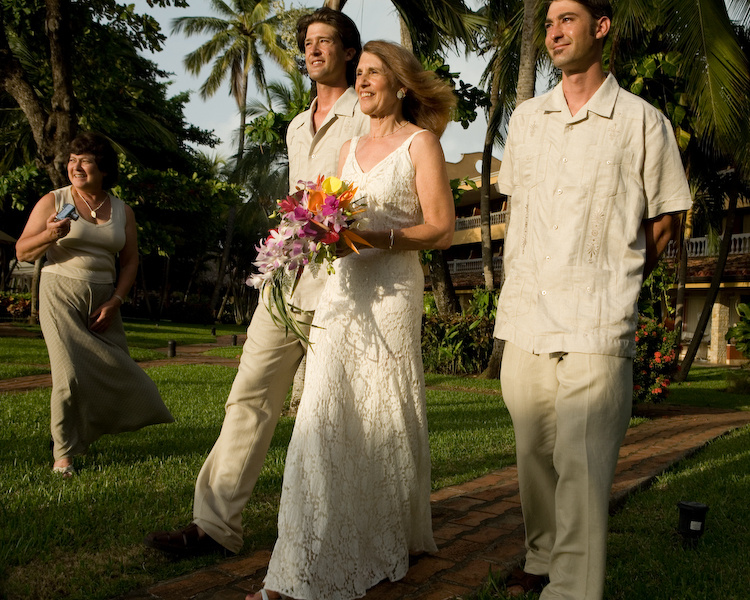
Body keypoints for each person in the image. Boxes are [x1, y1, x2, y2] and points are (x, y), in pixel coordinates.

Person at [144, 8, 370, 556]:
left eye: (325, 42)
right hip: (286, 282)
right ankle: (215, 525)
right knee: (248, 396)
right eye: (308, 43)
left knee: (335, 412)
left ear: (348, 52)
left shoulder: (366, 115)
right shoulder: (296, 125)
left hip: (343, 285)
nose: (313, 51)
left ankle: (336, 531)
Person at [493, 0, 693, 598]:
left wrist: (615, 276)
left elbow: (666, 219)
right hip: (526, 317)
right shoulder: (526, 119)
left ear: (600, 28)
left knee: (581, 468)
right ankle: (540, 560)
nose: (553, 32)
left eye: (567, 19)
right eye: (549, 23)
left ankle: (572, 589)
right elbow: (516, 207)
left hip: (596, 321)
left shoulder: (640, 121)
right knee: (533, 455)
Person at [249, 40, 456, 600]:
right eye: (358, 74)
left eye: (372, 74)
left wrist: (374, 238)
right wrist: (312, 235)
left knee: (381, 411)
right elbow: (332, 220)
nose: (361, 82)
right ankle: (299, 564)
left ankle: (381, 530)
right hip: (342, 295)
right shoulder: (346, 150)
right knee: (323, 412)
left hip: (391, 295)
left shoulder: (422, 144)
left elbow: (441, 228)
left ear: (402, 85)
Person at [15, 132, 173, 478]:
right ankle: (64, 455)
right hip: (60, 293)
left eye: (85, 160)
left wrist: (116, 300)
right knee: (68, 377)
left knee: (128, 376)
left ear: (103, 168)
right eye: (72, 160)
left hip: (103, 300)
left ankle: (89, 429)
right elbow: (23, 251)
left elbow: (130, 261)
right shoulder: (53, 201)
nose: (76, 166)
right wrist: (49, 235)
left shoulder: (122, 210)